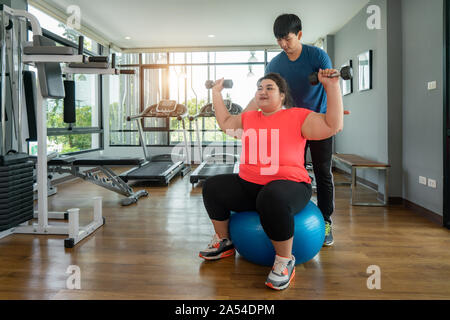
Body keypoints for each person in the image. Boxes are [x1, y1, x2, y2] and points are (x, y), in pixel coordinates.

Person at [199, 71, 343, 291]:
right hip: (250, 184)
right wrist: (216, 93)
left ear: (282, 96)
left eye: (269, 88)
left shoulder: (298, 116)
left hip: (291, 185)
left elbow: (333, 125)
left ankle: (285, 261)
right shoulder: (249, 118)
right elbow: (226, 122)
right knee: (213, 187)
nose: (262, 91)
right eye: (259, 88)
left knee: (272, 195)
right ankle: (224, 241)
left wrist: (332, 86)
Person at [244, 14, 337, 246]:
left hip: (316, 122)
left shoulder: (317, 55)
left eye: (287, 38)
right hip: (289, 125)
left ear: (300, 35)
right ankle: (283, 211)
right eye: (278, 40)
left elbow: (330, 86)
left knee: (322, 171)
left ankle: (325, 221)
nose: (283, 44)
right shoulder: (274, 65)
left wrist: (333, 105)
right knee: (284, 171)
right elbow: (270, 94)